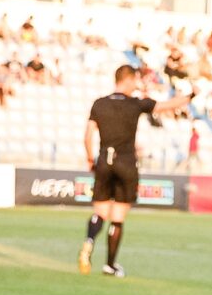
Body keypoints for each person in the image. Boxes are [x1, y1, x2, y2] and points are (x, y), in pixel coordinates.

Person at [79, 65, 190, 278]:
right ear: (128, 80)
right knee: (117, 217)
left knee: (100, 212)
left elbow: (87, 136)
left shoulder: (99, 104)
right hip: (126, 163)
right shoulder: (135, 103)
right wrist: (191, 95)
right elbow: (168, 105)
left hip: (104, 161)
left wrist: (91, 160)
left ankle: (89, 241)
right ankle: (110, 265)